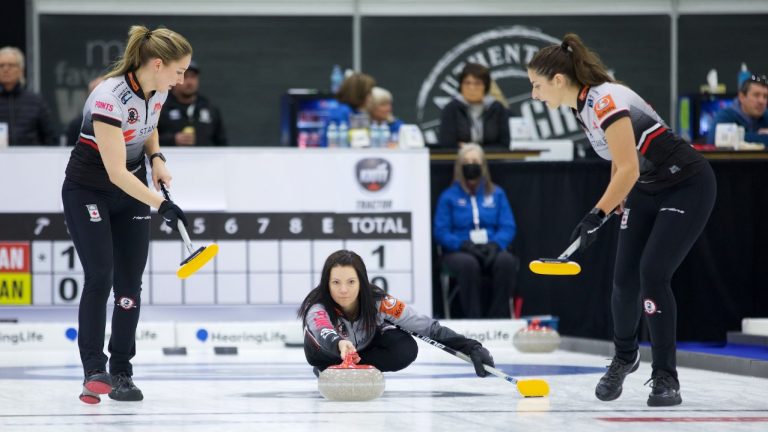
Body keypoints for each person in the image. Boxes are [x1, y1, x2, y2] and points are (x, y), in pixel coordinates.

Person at [527, 33, 716, 407]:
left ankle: (666, 378)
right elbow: (622, 159)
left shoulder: (604, 99)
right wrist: (616, 200)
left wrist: (596, 213)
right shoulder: (581, 107)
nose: (534, 95)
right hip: (644, 187)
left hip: (686, 185)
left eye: (536, 85)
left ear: (559, 81)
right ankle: (624, 357)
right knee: (623, 281)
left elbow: (628, 166)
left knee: (653, 274)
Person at [62, 25, 192, 404]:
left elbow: (147, 127)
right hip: (90, 190)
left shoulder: (160, 88)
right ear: (157, 63)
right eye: (179, 70)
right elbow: (116, 172)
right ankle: (93, 372)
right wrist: (163, 205)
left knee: (129, 287)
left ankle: (121, 372)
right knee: (100, 276)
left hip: (130, 191)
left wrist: (156, 158)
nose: (182, 79)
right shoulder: (108, 97)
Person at [298, 250, 495, 377]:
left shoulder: (379, 301)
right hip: (327, 354)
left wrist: (471, 347)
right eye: (336, 282)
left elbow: (424, 326)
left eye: (351, 282)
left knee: (406, 348)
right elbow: (322, 329)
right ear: (327, 283)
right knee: (322, 352)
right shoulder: (317, 306)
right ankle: (329, 370)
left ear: (362, 282)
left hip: (364, 350)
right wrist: (340, 344)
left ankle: (358, 368)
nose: (343, 290)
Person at [433, 144, 519, 319]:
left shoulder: (497, 194)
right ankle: (475, 321)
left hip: (491, 246)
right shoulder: (448, 196)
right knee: (468, 264)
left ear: (483, 165)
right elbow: (440, 231)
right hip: (460, 251)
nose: (471, 165)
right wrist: (462, 245)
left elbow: (508, 226)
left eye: (475, 161)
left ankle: (498, 319)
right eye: (466, 161)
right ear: (459, 166)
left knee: (507, 262)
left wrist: (495, 244)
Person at [438, 63, 510, 148]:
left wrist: (475, 150)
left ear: (485, 86)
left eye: (477, 83)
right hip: (460, 159)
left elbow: (504, 144)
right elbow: (446, 144)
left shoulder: (497, 108)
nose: (472, 88)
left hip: (493, 159)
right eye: (467, 83)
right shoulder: (451, 109)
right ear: (461, 85)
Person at [157, 60, 227, 146]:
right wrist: (172, 140)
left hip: (205, 158)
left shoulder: (210, 108)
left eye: (193, 77)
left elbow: (222, 143)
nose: (189, 82)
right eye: (184, 76)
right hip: (170, 158)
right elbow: (147, 141)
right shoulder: (160, 107)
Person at [0, 46, 58, 145]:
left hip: (31, 159)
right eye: (1, 65)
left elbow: (50, 137)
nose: (6, 69)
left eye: (11, 65)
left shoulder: (35, 102)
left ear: (21, 70)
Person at [706, 73, 768, 146]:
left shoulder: (766, 115)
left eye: (765, 96)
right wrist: (761, 137)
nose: (762, 101)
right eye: (756, 95)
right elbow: (714, 140)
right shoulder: (725, 116)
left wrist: (736, 137)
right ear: (742, 97)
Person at [324, 72, 375, 146]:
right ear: (360, 93)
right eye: (369, 93)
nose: (371, 97)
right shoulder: (342, 113)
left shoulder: (358, 112)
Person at [65, 76, 104, 146]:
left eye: (102, 94)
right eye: (94, 94)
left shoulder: (120, 120)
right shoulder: (76, 124)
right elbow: (69, 151)